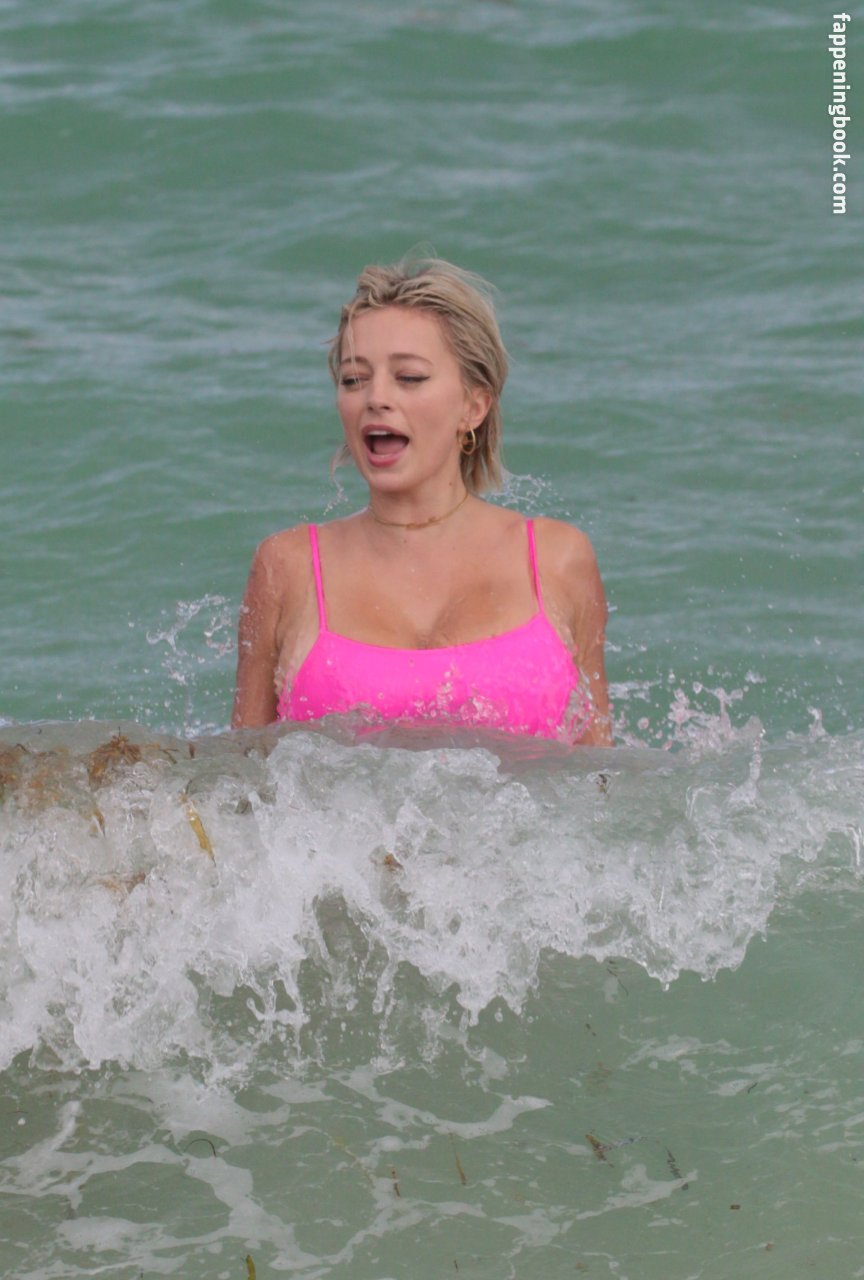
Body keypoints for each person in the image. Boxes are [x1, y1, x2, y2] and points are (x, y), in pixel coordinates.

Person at [232, 258, 612, 747]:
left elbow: (601, 773)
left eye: (409, 377)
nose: (375, 398)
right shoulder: (287, 567)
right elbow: (238, 775)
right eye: (353, 379)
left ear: (474, 406)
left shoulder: (558, 561)